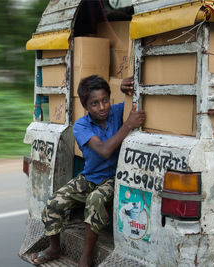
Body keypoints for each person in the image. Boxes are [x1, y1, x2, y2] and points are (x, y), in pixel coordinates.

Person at [31, 75, 145, 266]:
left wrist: (126, 88)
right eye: (94, 103)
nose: (102, 107)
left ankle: (86, 256)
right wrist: (128, 126)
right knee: (54, 202)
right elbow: (104, 151)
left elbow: (131, 101)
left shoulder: (118, 112)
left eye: (105, 100)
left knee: (95, 200)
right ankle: (54, 247)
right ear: (85, 106)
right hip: (90, 177)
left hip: (113, 178)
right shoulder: (81, 125)